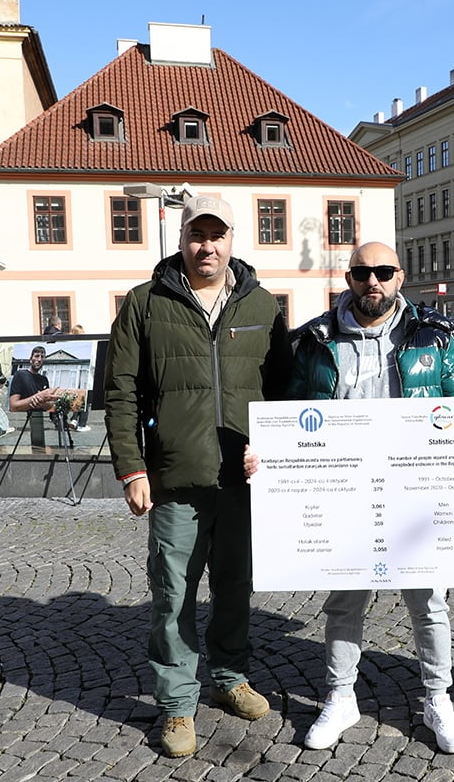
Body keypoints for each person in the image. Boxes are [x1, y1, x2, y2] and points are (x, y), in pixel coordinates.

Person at [281, 241, 454, 755]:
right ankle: (340, 698)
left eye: (383, 272)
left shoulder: (432, 336)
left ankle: (437, 698)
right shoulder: (315, 341)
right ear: (349, 278)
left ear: (400, 277)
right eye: (362, 273)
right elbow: (289, 416)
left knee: (429, 604)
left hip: (415, 489)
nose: (372, 282)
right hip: (345, 490)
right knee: (343, 602)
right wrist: (268, 458)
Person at [104, 195, 292, 758]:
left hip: (242, 478)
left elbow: (282, 392)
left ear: (233, 239)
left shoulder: (263, 304)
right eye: (196, 235)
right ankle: (177, 704)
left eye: (217, 235)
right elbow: (121, 393)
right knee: (172, 593)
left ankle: (231, 676)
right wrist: (132, 467)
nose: (206, 246)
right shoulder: (144, 303)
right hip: (174, 478)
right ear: (181, 238)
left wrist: (279, 458)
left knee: (236, 585)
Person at [9, 346, 53, 413]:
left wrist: (41, 403)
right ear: (30, 359)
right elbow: (13, 407)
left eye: (42, 357)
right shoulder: (20, 375)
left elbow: (49, 406)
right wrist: (35, 398)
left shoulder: (44, 379)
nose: (39, 359)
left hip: (40, 419)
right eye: (37, 356)